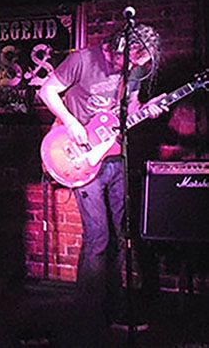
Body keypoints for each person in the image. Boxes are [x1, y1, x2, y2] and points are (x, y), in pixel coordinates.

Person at [38, 23, 167, 332]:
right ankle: (88, 316)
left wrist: (146, 110)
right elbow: (47, 90)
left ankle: (115, 310)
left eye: (139, 64)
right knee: (98, 236)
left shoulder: (134, 69)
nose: (132, 68)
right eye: (130, 61)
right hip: (81, 156)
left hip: (115, 157)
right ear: (119, 47)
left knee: (120, 235)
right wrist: (70, 122)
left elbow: (129, 109)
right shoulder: (83, 60)